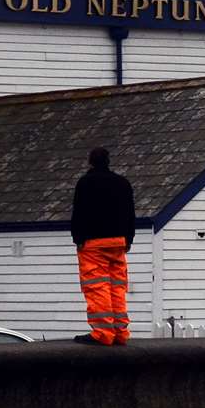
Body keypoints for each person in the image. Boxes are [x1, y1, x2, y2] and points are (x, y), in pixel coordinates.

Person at [71, 146, 136, 346]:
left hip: (93, 242)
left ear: (90, 161)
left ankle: (103, 333)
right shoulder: (122, 183)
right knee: (117, 286)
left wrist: (78, 237)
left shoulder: (85, 183)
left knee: (97, 286)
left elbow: (79, 212)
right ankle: (119, 332)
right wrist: (128, 239)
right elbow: (130, 214)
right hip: (118, 241)